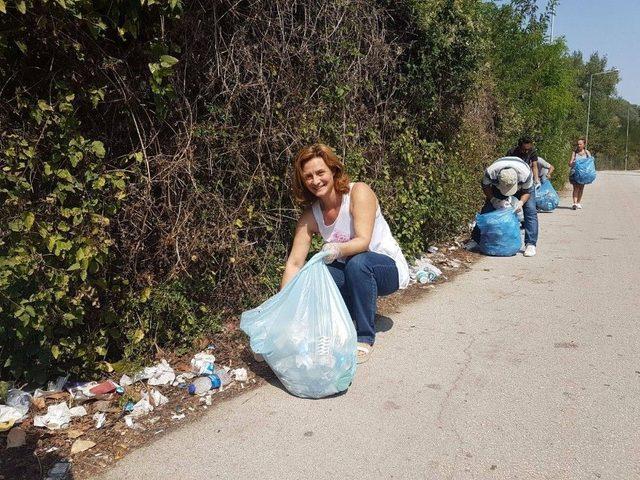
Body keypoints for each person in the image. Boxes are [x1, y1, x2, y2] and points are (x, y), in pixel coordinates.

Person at [281, 143, 410, 364]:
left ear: (333, 170)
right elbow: (294, 263)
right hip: (353, 273)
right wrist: (281, 310)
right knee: (317, 271)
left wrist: (336, 248)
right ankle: (337, 322)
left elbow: (363, 241)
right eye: (308, 176)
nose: (315, 180)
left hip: (386, 269)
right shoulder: (310, 217)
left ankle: (364, 336)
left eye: (320, 172)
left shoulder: (358, 192)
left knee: (358, 263)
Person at [467, 156, 537, 257]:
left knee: (530, 211)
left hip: (524, 189)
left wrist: (520, 203)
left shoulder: (526, 174)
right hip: (497, 188)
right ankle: (477, 239)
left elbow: (527, 192)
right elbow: (485, 186)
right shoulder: (491, 172)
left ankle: (531, 244)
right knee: (487, 210)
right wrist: (493, 200)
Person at [569, 138, 591, 210]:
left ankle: (578, 202)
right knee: (575, 187)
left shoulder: (587, 152)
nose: (579, 145)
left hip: (584, 174)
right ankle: (574, 203)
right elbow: (570, 163)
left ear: (584, 145)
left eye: (580, 144)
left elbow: (590, 162)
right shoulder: (574, 152)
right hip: (575, 172)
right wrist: (572, 163)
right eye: (578, 144)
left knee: (581, 188)